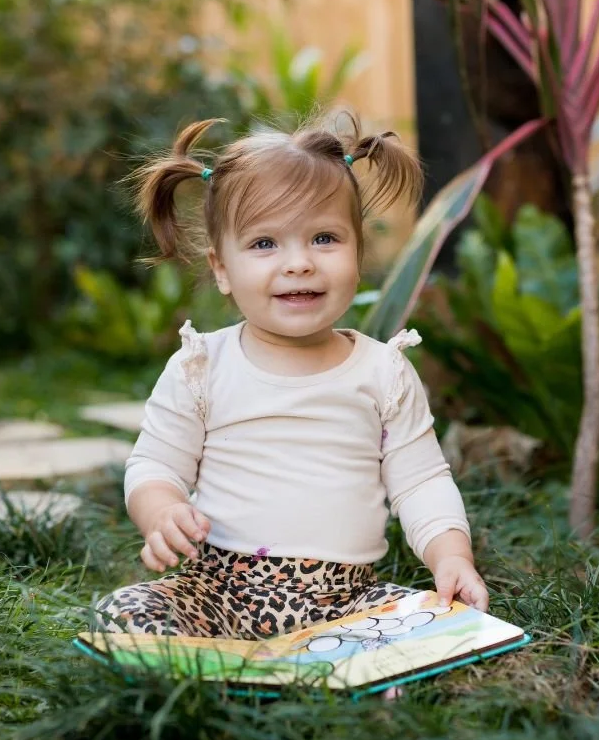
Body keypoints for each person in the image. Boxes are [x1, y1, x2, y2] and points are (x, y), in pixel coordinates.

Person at [95, 112, 488, 640]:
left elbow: (421, 481)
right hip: (216, 592)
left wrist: (451, 555)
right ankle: (224, 678)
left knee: (438, 626)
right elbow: (154, 464)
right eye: (264, 244)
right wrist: (162, 511)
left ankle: (341, 667)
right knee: (126, 612)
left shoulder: (383, 372)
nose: (299, 263)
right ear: (221, 269)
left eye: (325, 238)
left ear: (358, 251)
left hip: (347, 598)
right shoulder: (202, 366)